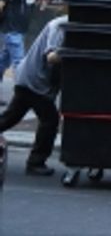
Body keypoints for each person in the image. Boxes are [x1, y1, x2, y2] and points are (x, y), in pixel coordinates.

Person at [0, 13, 66, 175]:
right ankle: (35, 162)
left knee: (11, 117)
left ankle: (36, 161)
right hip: (34, 81)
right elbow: (51, 57)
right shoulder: (59, 26)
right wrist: (72, 52)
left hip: (32, 79)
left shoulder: (66, 26)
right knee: (50, 120)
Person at [0, 0, 43, 78]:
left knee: (4, 59)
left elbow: (30, 3)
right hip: (11, 29)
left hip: (22, 29)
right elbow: (1, 3)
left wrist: (40, 3)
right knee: (19, 62)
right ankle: (23, 91)